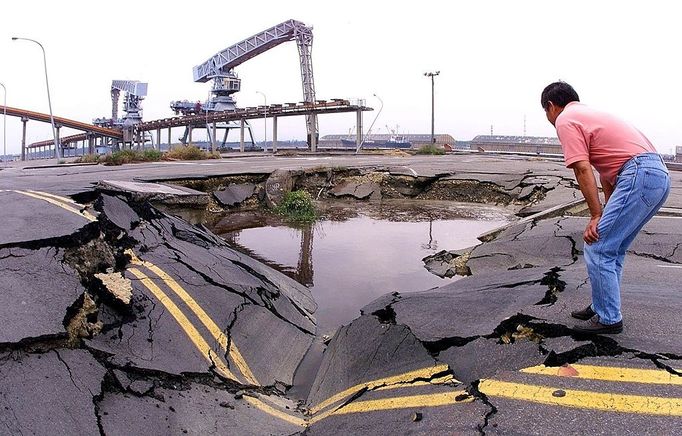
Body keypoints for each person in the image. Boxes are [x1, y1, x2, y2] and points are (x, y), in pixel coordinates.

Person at [541, 81, 671, 334]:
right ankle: (602, 304)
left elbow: (582, 168)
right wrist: (607, 216)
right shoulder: (591, 115)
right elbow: (606, 176)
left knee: (598, 246)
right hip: (657, 176)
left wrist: (596, 215)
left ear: (550, 106)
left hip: (638, 174)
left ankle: (609, 318)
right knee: (613, 246)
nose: (549, 118)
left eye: (546, 113)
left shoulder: (566, 119)